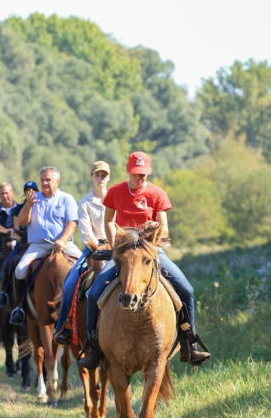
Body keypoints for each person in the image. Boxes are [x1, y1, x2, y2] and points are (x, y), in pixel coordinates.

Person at [77, 152, 210, 369]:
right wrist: (113, 246)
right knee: (93, 293)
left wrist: (155, 229)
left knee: (186, 289)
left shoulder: (157, 194)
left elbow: (164, 227)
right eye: (137, 174)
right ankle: (93, 346)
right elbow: (109, 221)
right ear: (129, 171)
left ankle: (190, 342)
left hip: (151, 252)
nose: (141, 178)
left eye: (144, 174)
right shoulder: (116, 192)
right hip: (124, 253)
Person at [10, 167, 82, 325]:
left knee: (83, 266)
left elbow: (72, 224)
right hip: (39, 246)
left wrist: (63, 240)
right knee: (20, 270)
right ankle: (20, 309)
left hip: (63, 245)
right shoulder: (34, 199)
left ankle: (84, 306)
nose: (44, 182)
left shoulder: (67, 199)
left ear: (57, 181)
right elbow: (22, 222)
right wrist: (28, 205)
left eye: (48, 179)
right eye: (42, 179)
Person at [53, 161, 110, 344]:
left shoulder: (115, 199)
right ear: (91, 177)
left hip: (115, 247)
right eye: (97, 175)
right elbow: (86, 235)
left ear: (108, 177)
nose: (100, 179)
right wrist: (99, 247)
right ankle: (64, 327)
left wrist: (114, 245)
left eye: (104, 175)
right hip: (93, 249)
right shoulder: (85, 203)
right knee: (70, 284)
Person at [0, 181, 37, 307]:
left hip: (38, 243)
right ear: (24, 193)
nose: (30, 192)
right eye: (27, 190)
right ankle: (4, 294)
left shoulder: (41, 205)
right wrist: (22, 242)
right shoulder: (18, 209)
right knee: (9, 264)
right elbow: (17, 229)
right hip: (22, 243)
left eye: (33, 190)